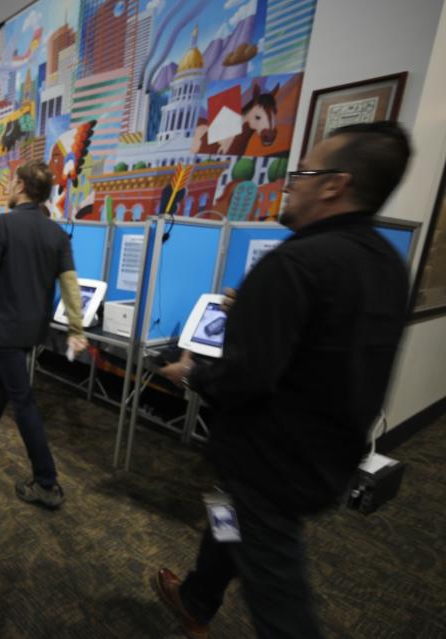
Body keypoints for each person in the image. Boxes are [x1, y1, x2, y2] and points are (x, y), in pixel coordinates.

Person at [154, 121, 413, 638]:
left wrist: (192, 372)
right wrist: (252, 307)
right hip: (325, 455)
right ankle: (197, 599)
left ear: (335, 184)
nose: (290, 183)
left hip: (268, 463)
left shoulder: (298, 262)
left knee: (278, 597)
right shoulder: (385, 262)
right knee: (225, 521)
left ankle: (199, 601)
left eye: (303, 173)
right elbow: (324, 343)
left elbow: (248, 376)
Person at [0, 160, 88, 509]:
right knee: (12, 379)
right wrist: (77, 329)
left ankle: (47, 483)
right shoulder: (57, 233)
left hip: (7, 328)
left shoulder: (3, 224)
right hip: (34, 330)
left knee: (24, 402)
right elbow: (70, 286)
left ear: (19, 187)